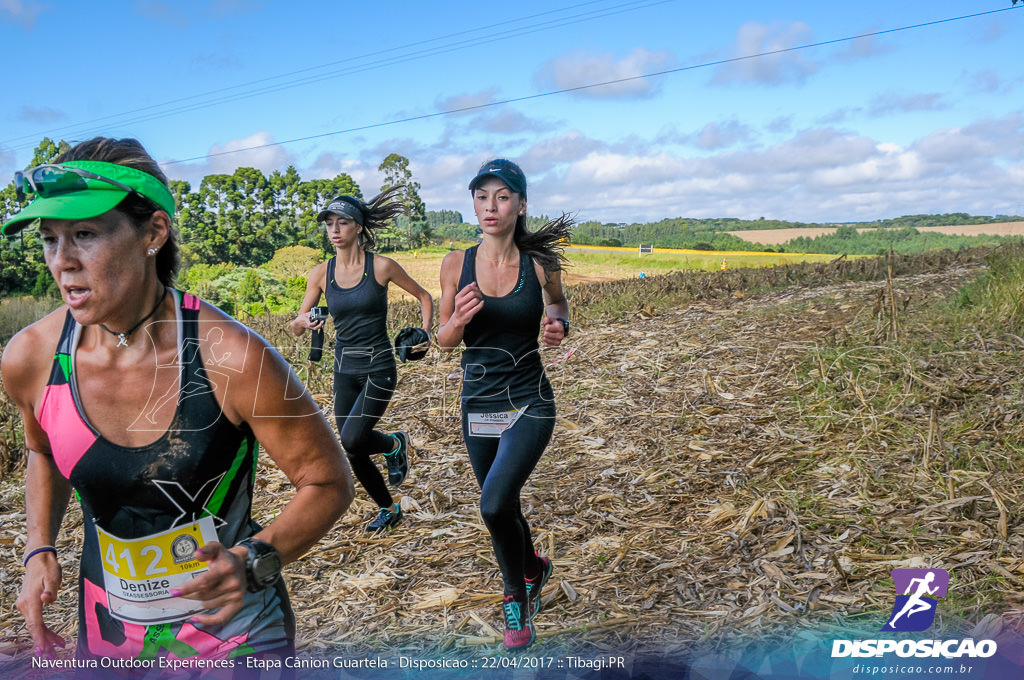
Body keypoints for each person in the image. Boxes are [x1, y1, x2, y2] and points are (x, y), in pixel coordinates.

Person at [0, 137, 354, 671]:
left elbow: (329, 483)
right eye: (50, 240)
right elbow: (44, 451)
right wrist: (38, 548)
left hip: (234, 640)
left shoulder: (234, 359)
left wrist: (253, 559)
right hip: (108, 638)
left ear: (153, 233)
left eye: (85, 235)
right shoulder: (32, 358)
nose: (62, 262)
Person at [436, 159, 571, 651]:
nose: (490, 206)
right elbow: (443, 339)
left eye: (502, 196)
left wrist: (558, 327)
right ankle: (533, 568)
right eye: (481, 196)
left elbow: (557, 305)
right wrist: (455, 323)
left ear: (521, 204)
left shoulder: (541, 263)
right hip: (479, 402)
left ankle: (515, 601)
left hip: (529, 399)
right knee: (504, 505)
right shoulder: (456, 263)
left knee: (492, 503)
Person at [289, 189, 433, 534]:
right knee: (352, 448)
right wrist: (301, 323)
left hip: (379, 366)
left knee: (353, 438)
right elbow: (296, 324)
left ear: (358, 227)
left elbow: (424, 296)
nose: (334, 230)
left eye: (343, 222)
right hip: (345, 368)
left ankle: (395, 444)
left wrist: (425, 333)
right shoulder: (320, 273)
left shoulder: (381, 266)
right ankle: (388, 507)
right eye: (329, 223)